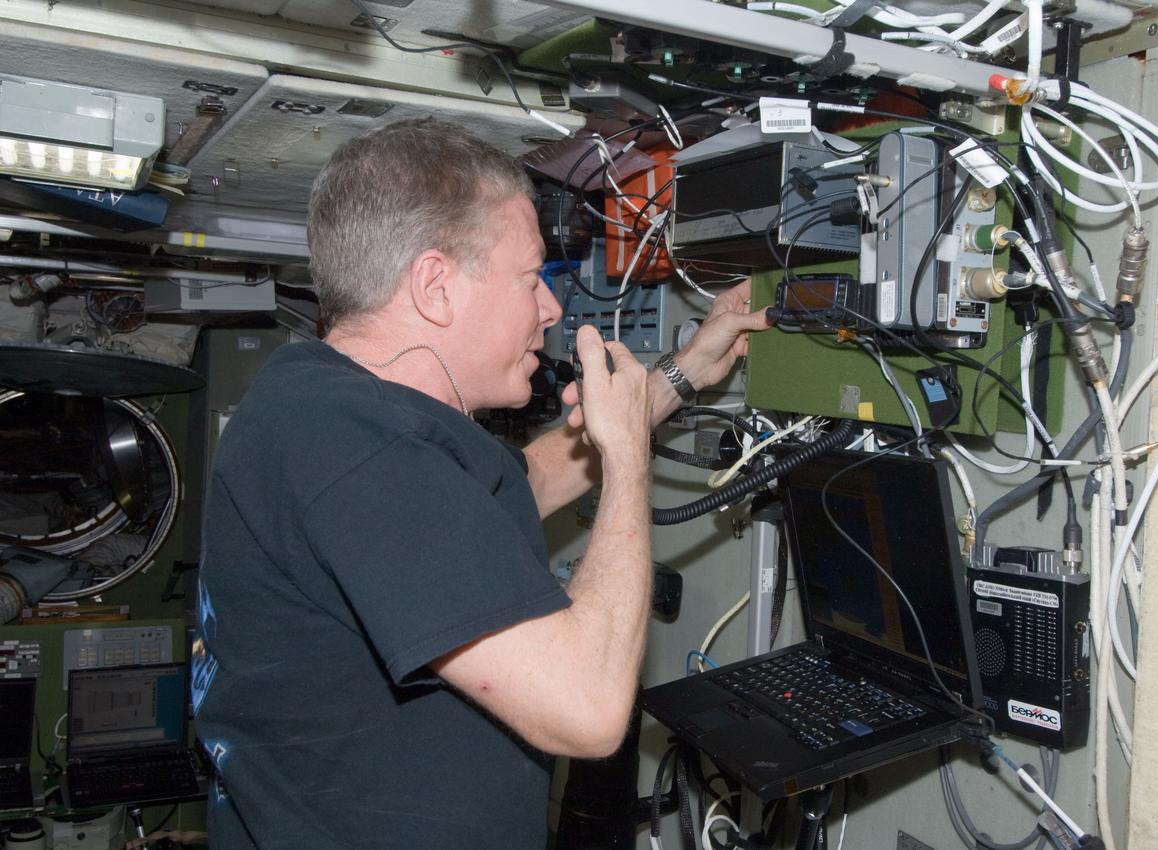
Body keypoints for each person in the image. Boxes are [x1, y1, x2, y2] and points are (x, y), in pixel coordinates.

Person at [189, 117, 770, 849]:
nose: (551, 309)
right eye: (531, 279)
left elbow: (521, 481)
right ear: (435, 285)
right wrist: (627, 461)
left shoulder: (322, 404)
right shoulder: (357, 451)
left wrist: (683, 371)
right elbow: (586, 711)